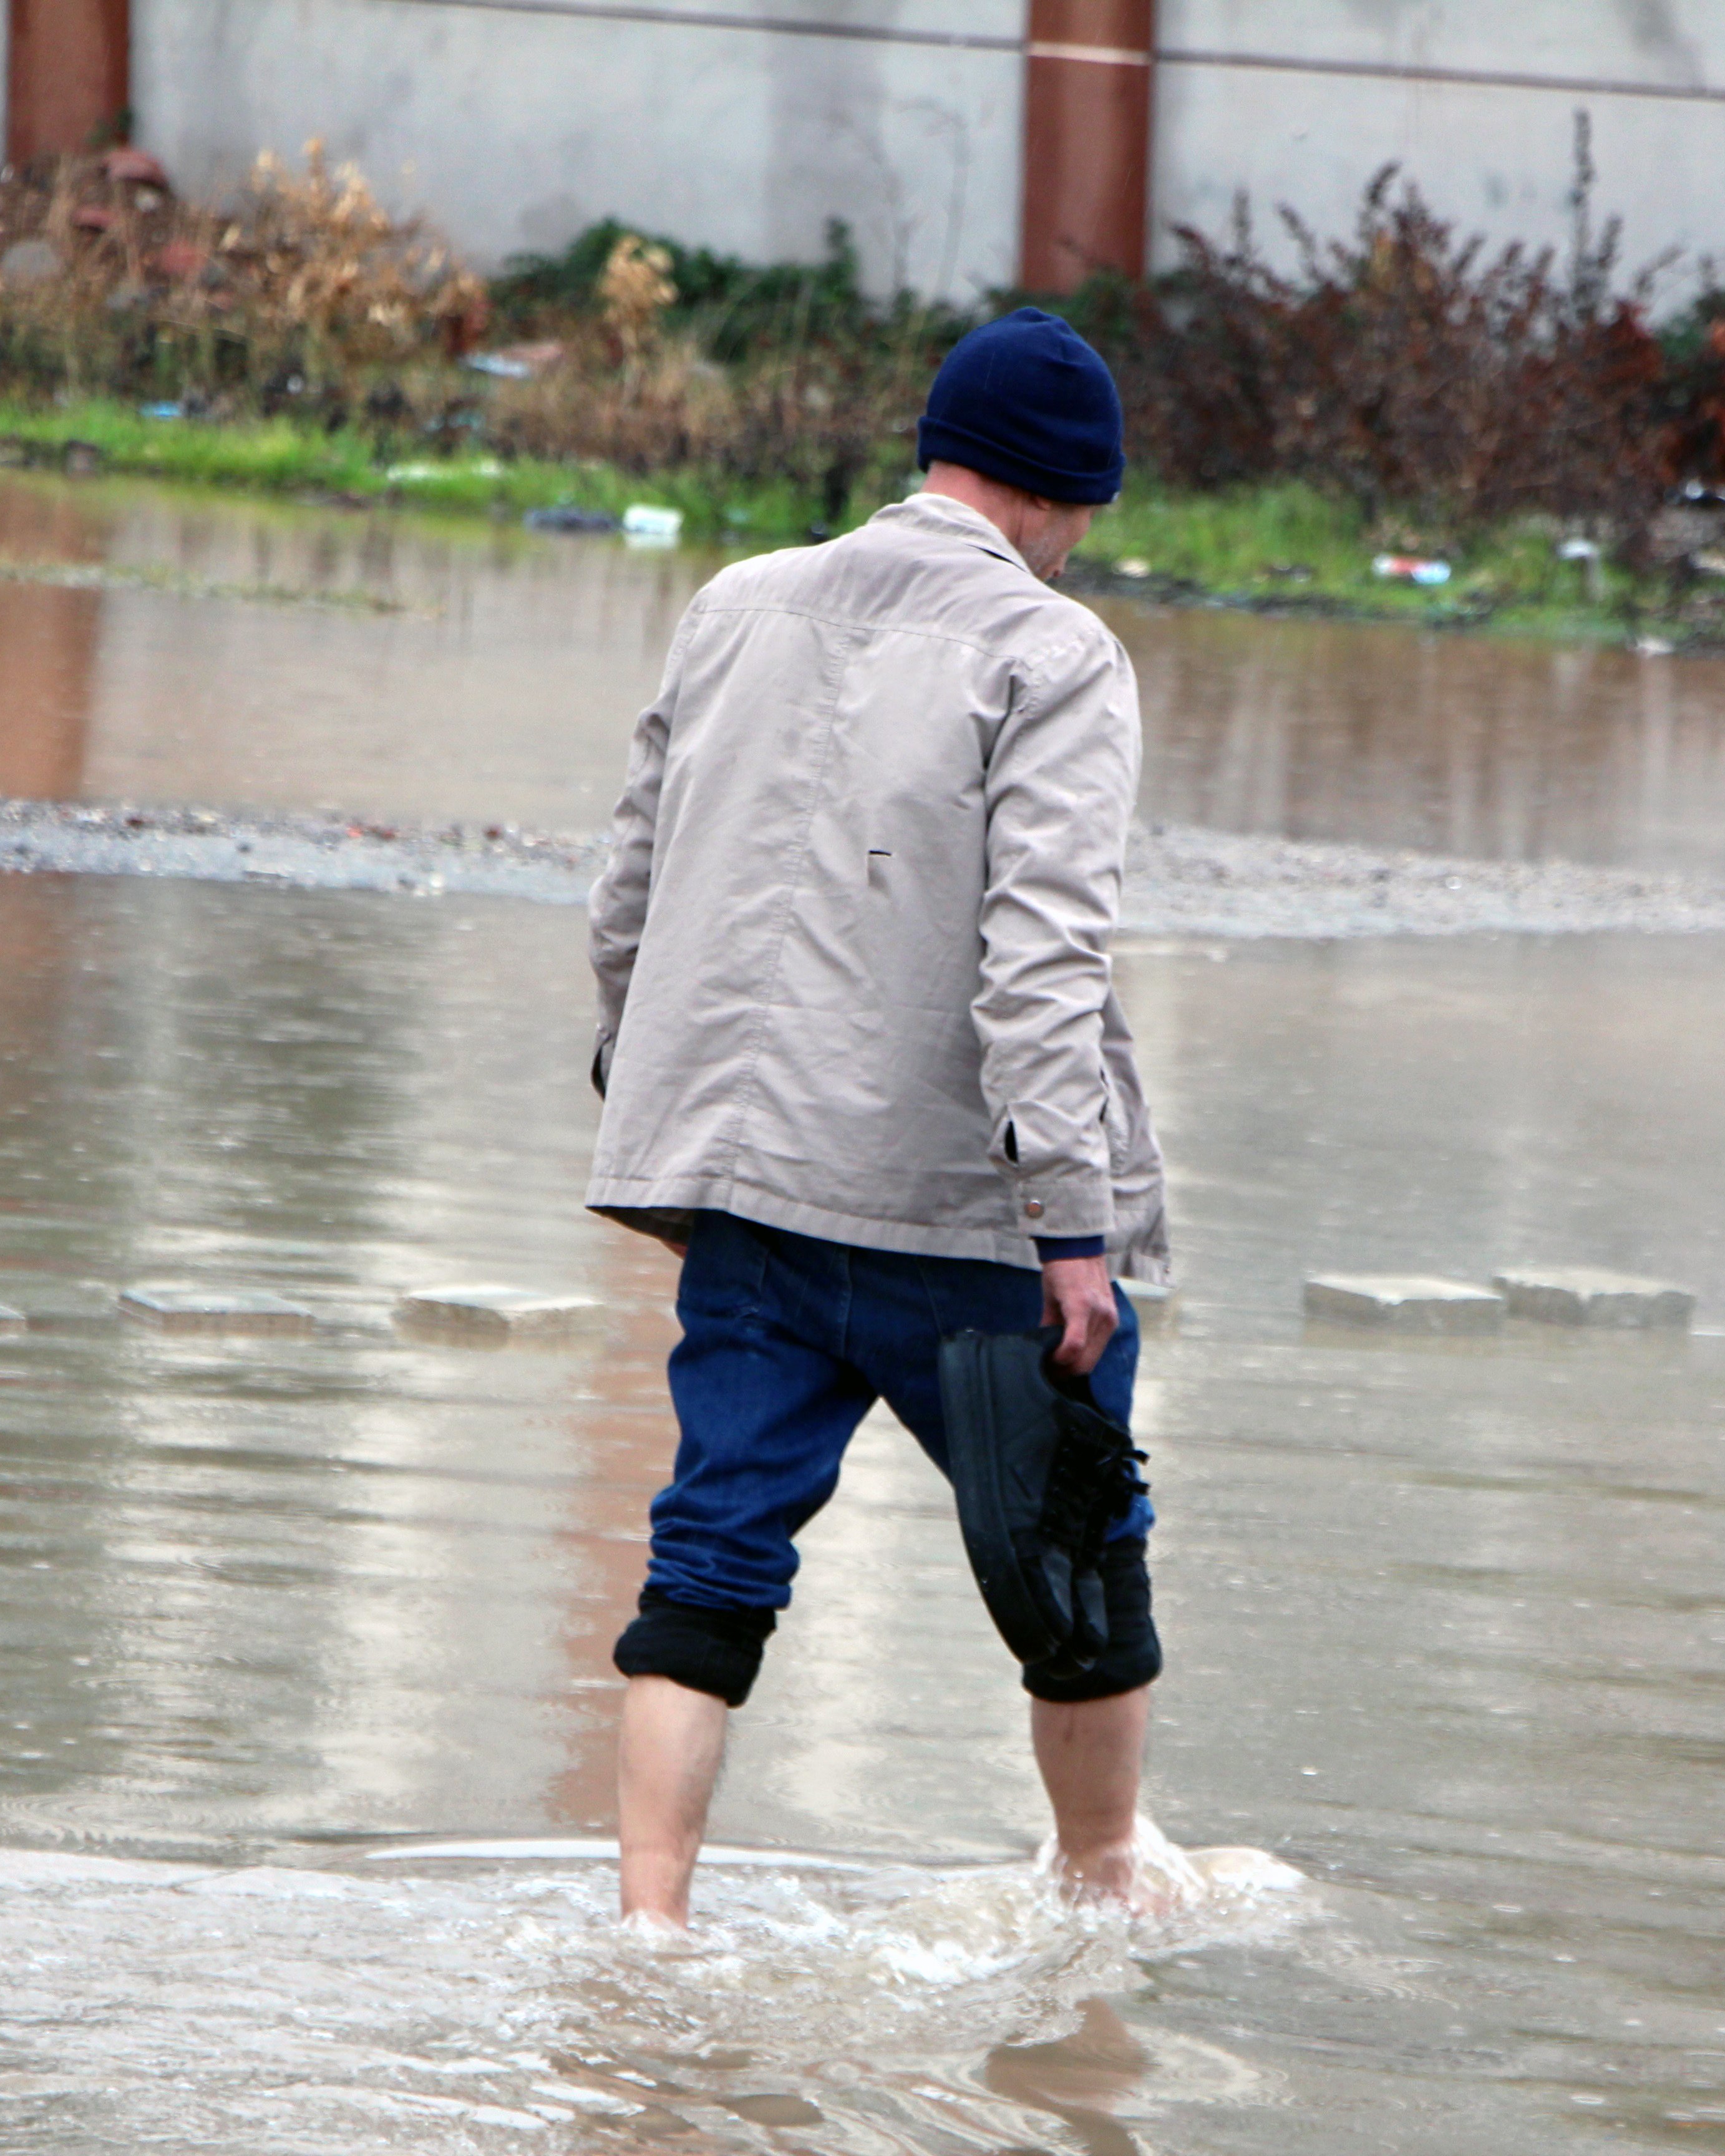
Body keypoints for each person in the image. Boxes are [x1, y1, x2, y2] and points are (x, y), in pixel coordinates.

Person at [584, 308, 1170, 1931]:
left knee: (708, 1562)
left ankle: (648, 1931)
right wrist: (1074, 1230)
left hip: (749, 1199)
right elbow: (1041, 967)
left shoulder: (736, 605)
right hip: (965, 1234)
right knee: (1081, 1571)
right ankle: (1104, 1901)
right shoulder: (1056, 656)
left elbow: (626, 894)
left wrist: (655, 1103)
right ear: (1061, 502)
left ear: (934, 457)